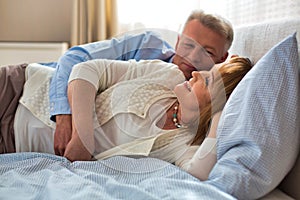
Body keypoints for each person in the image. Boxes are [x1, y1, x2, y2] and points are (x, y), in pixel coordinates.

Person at [7, 56, 252, 180]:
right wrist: (83, 138)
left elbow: (199, 174)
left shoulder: (183, 147)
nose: (197, 73)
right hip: (22, 89)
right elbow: (86, 69)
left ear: (215, 106)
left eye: (208, 80)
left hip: (14, 145)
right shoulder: (167, 75)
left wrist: (218, 123)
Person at [49, 10, 234, 157]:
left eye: (207, 52)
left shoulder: (196, 106)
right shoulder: (147, 46)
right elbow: (74, 59)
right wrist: (64, 117)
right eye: (188, 45)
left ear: (222, 59)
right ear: (178, 41)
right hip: (42, 80)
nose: (192, 57)